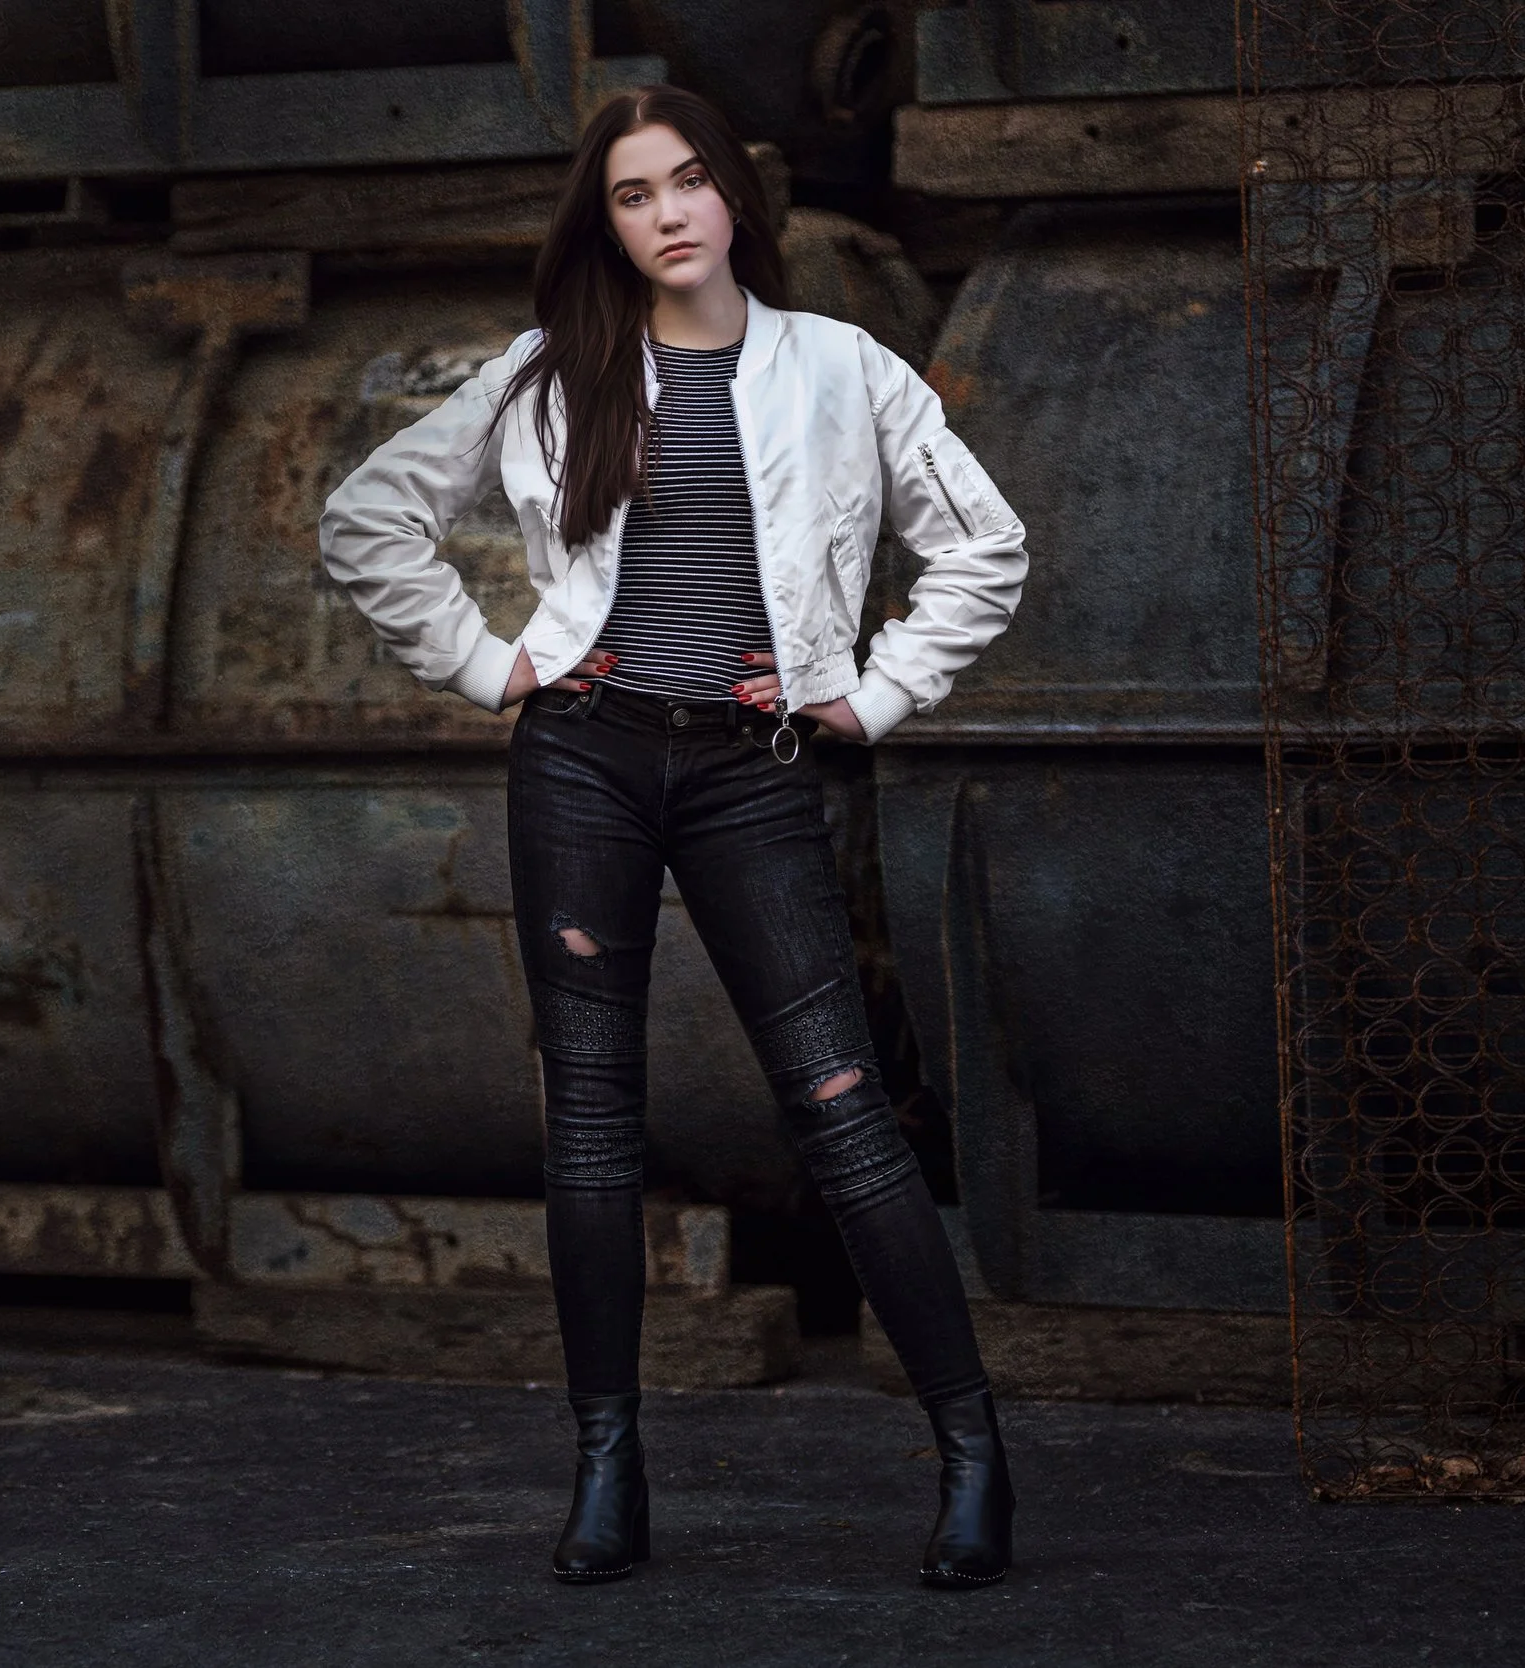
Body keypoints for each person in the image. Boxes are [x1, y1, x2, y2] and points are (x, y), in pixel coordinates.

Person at [318, 84, 1029, 1588]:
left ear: (733, 201)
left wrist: (874, 692)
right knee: (590, 1126)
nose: (668, 214)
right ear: (612, 225)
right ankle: (606, 1468)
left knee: (841, 1106)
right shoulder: (552, 373)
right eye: (635, 196)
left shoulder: (839, 367)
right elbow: (366, 518)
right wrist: (490, 661)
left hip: (751, 773)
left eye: (688, 181)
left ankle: (971, 1457)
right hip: (581, 762)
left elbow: (984, 543)